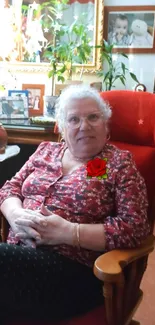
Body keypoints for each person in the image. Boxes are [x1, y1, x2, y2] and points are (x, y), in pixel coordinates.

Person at [0, 84, 150, 322]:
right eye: (74, 119)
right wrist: (15, 214)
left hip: (72, 272)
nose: (85, 126)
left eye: (93, 117)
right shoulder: (45, 151)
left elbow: (136, 227)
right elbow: (10, 188)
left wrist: (69, 232)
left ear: (106, 124)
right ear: (61, 126)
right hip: (18, 256)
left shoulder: (117, 164)